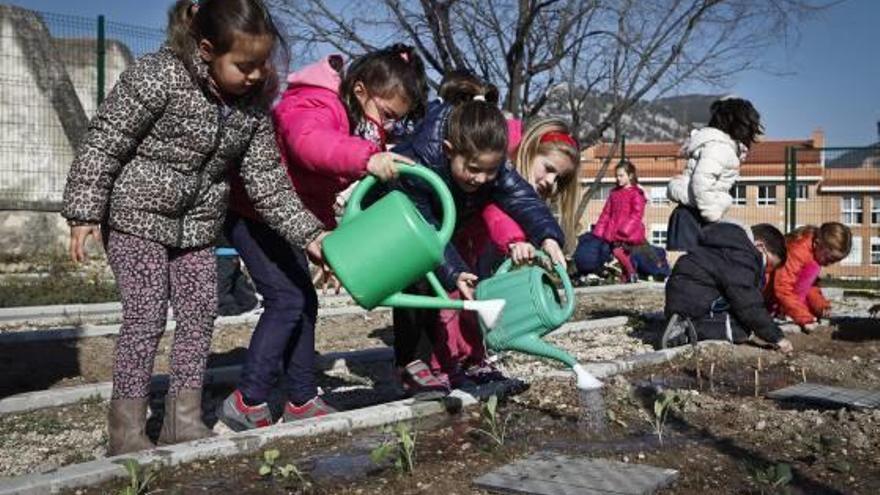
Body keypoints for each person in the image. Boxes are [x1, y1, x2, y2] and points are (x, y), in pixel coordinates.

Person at [61, 0, 327, 455]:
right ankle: (125, 429)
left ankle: (182, 421)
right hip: (135, 217)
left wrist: (312, 235)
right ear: (206, 49)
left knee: (201, 313)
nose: (258, 75)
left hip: (198, 226)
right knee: (145, 315)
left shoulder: (251, 108)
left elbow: (268, 183)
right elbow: (105, 138)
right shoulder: (159, 75)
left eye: (263, 64)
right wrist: (85, 210)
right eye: (245, 65)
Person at [217, 44, 428, 429]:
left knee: (304, 301)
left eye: (396, 120)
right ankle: (248, 399)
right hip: (252, 211)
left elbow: (315, 189)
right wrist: (367, 158)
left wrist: (325, 239)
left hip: (290, 219)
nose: (389, 125)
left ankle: (301, 399)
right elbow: (310, 146)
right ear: (360, 89)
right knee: (286, 299)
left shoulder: (359, 126)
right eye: (387, 114)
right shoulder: (316, 103)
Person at [388, 74, 566, 397]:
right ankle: (410, 363)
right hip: (401, 218)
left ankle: (441, 364)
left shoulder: (490, 159)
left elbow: (522, 198)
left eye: (491, 172)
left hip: (443, 222)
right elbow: (424, 227)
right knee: (416, 276)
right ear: (448, 150)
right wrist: (454, 270)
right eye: (473, 169)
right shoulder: (423, 155)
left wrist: (548, 237)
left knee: (445, 288)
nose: (483, 179)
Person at [661, 223, 793, 354]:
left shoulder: (726, 244)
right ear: (759, 246)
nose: (764, 271)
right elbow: (747, 302)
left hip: (688, 296)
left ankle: (682, 322)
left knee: (742, 322)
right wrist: (777, 337)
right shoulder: (742, 256)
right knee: (739, 330)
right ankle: (686, 331)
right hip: (694, 302)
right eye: (768, 265)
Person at [666, 98, 763, 251]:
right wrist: (713, 216)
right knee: (690, 268)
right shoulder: (719, 148)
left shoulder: (719, 146)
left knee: (689, 267)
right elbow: (701, 182)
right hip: (694, 218)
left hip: (692, 215)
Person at [767, 222, 852, 333]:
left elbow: (809, 286)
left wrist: (821, 306)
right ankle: (783, 313)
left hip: (779, 300)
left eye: (834, 261)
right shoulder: (798, 250)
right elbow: (782, 286)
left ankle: (787, 312)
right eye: (829, 258)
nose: (829, 263)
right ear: (817, 243)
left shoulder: (814, 255)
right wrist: (804, 318)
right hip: (766, 294)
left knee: (813, 267)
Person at [583, 160, 646, 283]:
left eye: (621, 175)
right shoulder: (614, 193)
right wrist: (599, 230)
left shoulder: (636, 193)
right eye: (617, 176)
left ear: (630, 176)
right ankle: (626, 276)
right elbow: (606, 213)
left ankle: (632, 273)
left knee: (617, 252)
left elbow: (637, 214)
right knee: (622, 254)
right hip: (614, 230)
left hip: (629, 231)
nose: (618, 178)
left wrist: (625, 229)